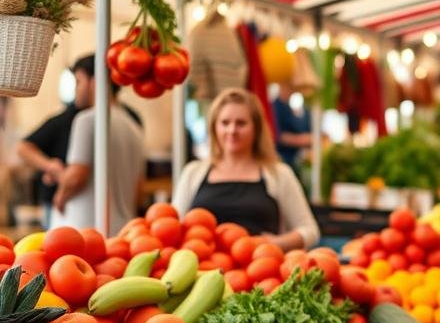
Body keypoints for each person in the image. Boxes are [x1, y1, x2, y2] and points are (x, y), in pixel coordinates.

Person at [172, 88, 320, 250]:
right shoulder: (192, 173)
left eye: (241, 123)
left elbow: (310, 231)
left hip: (260, 270)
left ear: (256, 129)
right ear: (214, 127)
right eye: (225, 123)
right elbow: (173, 227)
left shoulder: (279, 174)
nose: (232, 130)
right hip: (201, 271)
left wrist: (277, 243)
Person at [18, 58, 142, 228]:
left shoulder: (87, 120)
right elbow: (139, 189)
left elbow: (77, 177)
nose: (76, 89)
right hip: (121, 228)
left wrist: (60, 193)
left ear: (95, 82)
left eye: (78, 82)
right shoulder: (133, 126)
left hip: (82, 231)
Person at [271, 81, 313, 177]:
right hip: (283, 159)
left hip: (294, 159)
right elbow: (280, 136)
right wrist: (304, 140)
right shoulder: (275, 107)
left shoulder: (290, 107)